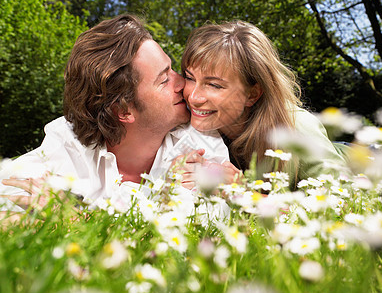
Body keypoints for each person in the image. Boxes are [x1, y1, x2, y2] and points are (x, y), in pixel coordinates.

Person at [0, 14, 229, 213]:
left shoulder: (200, 141)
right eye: (164, 79)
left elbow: (207, 230)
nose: (183, 83)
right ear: (123, 110)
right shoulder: (68, 144)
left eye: (171, 68)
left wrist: (76, 219)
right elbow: (8, 203)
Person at [179, 20, 350, 189]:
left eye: (214, 85)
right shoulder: (189, 124)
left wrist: (241, 192)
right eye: (190, 78)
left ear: (252, 94)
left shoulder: (296, 128)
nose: (194, 97)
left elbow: (344, 201)